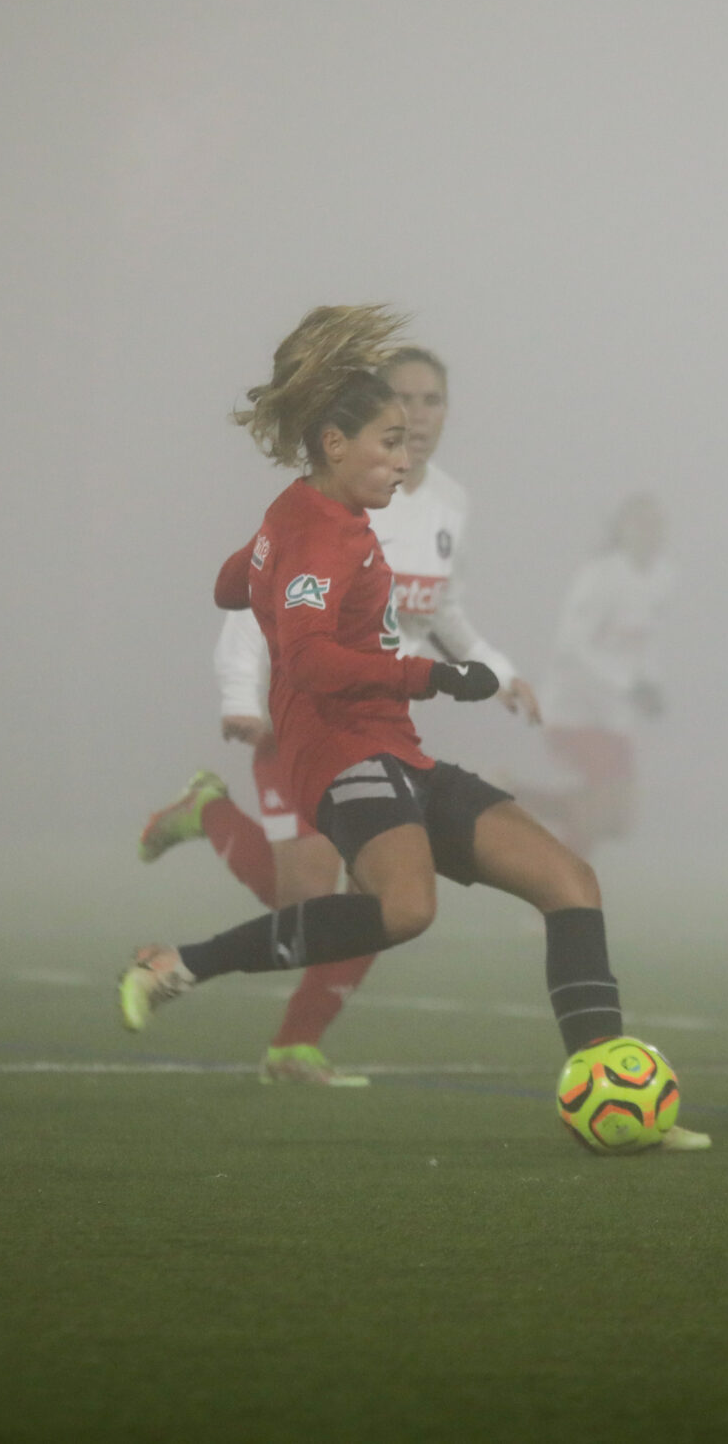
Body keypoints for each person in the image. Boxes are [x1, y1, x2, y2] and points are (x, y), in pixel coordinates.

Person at [117, 305, 705, 1151]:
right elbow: (314, 662)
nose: (403, 458)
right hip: (340, 751)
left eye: (409, 437)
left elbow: (227, 583)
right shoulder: (325, 537)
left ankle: (606, 1094)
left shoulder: (317, 519)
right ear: (333, 445)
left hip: (394, 747)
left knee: (570, 881)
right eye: (388, 442)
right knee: (403, 908)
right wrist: (431, 672)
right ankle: (177, 966)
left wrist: (266, 560)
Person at [137, 347, 538, 1087]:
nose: (418, 416)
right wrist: (239, 694)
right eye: (405, 400)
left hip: (380, 723)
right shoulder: (329, 502)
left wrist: (499, 669)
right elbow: (267, 598)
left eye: (433, 400)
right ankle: (210, 815)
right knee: (309, 897)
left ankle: (295, 1042)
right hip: (308, 717)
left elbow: (441, 608)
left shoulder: (446, 502)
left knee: (379, 898)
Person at [514, 495, 673, 856]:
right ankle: (563, 900)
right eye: (640, 523)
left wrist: (652, 683)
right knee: (596, 804)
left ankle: (510, 796)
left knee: (619, 820)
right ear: (621, 529)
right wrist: (628, 685)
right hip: (573, 707)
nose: (649, 532)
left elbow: (646, 641)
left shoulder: (663, 577)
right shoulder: (600, 576)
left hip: (613, 713)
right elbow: (570, 646)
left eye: (656, 524)